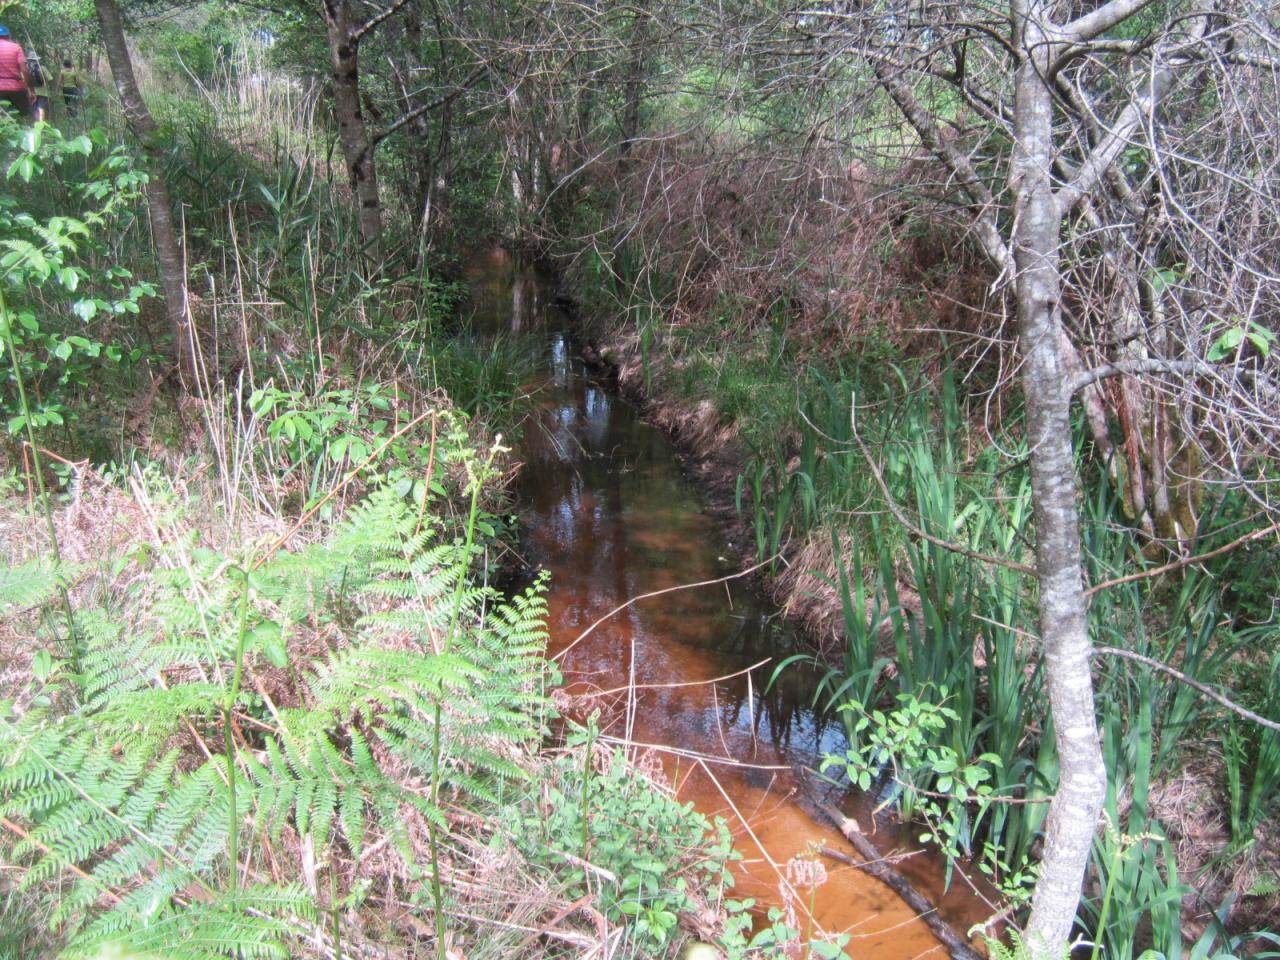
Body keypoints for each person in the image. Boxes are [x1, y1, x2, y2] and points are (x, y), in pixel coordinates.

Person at [0, 25, 31, 120]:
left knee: (2, 117)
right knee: (23, 115)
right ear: (8, 36)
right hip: (16, 87)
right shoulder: (16, 47)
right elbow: (24, 70)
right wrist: (29, 88)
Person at [26, 48, 48, 122]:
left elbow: (25, 81)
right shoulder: (43, 68)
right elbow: (50, 78)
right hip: (43, 92)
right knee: (41, 108)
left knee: (35, 108)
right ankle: (41, 123)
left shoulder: (27, 69)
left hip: (32, 92)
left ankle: (36, 122)